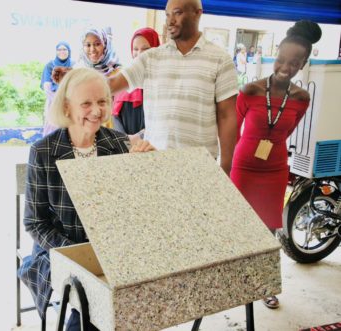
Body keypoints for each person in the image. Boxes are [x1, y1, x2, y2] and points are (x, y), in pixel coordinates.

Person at [18, 68, 155, 331]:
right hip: (59, 251)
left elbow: (133, 209)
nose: (96, 110)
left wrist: (146, 168)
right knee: (95, 301)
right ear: (67, 108)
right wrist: (78, 255)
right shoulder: (43, 151)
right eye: (86, 103)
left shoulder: (117, 143)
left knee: (137, 296)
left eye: (102, 101)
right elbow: (35, 223)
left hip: (111, 249)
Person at [230, 20, 322, 309]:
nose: (286, 66)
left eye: (294, 62)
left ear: (303, 64)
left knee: (269, 230)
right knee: (237, 226)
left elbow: (286, 130)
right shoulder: (250, 91)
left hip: (275, 169)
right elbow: (234, 130)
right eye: (281, 59)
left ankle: (264, 285)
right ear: (275, 56)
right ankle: (232, 283)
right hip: (243, 166)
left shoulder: (302, 98)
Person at [109, 0, 238, 175]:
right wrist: (72, 79)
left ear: (198, 13)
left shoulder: (220, 59)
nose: (170, 21)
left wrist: (226, 167)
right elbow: (113, 84)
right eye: (167, 14)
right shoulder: (151, 58)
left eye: (177, 13)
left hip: (199, 168)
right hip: (154, 161)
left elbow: (227, 116)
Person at [112, 27, 160, 143]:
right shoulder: (124, 79)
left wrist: (140, 138)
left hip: (152, 145)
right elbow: (115, 116)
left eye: (146, 49)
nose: (139, 54)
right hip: (127, 147)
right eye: (135, 49)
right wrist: (125, 141)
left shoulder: (162, 82)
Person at [40, 41, 73, 136]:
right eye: (59, 49)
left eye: (64, 49)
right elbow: (47, 87)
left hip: (70, 101)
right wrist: (58, 100)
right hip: (53, 101)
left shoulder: (74, 64)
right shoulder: (50, 65)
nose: (62, 52)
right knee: (52, 124)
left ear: (69, 51)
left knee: (69, 125)